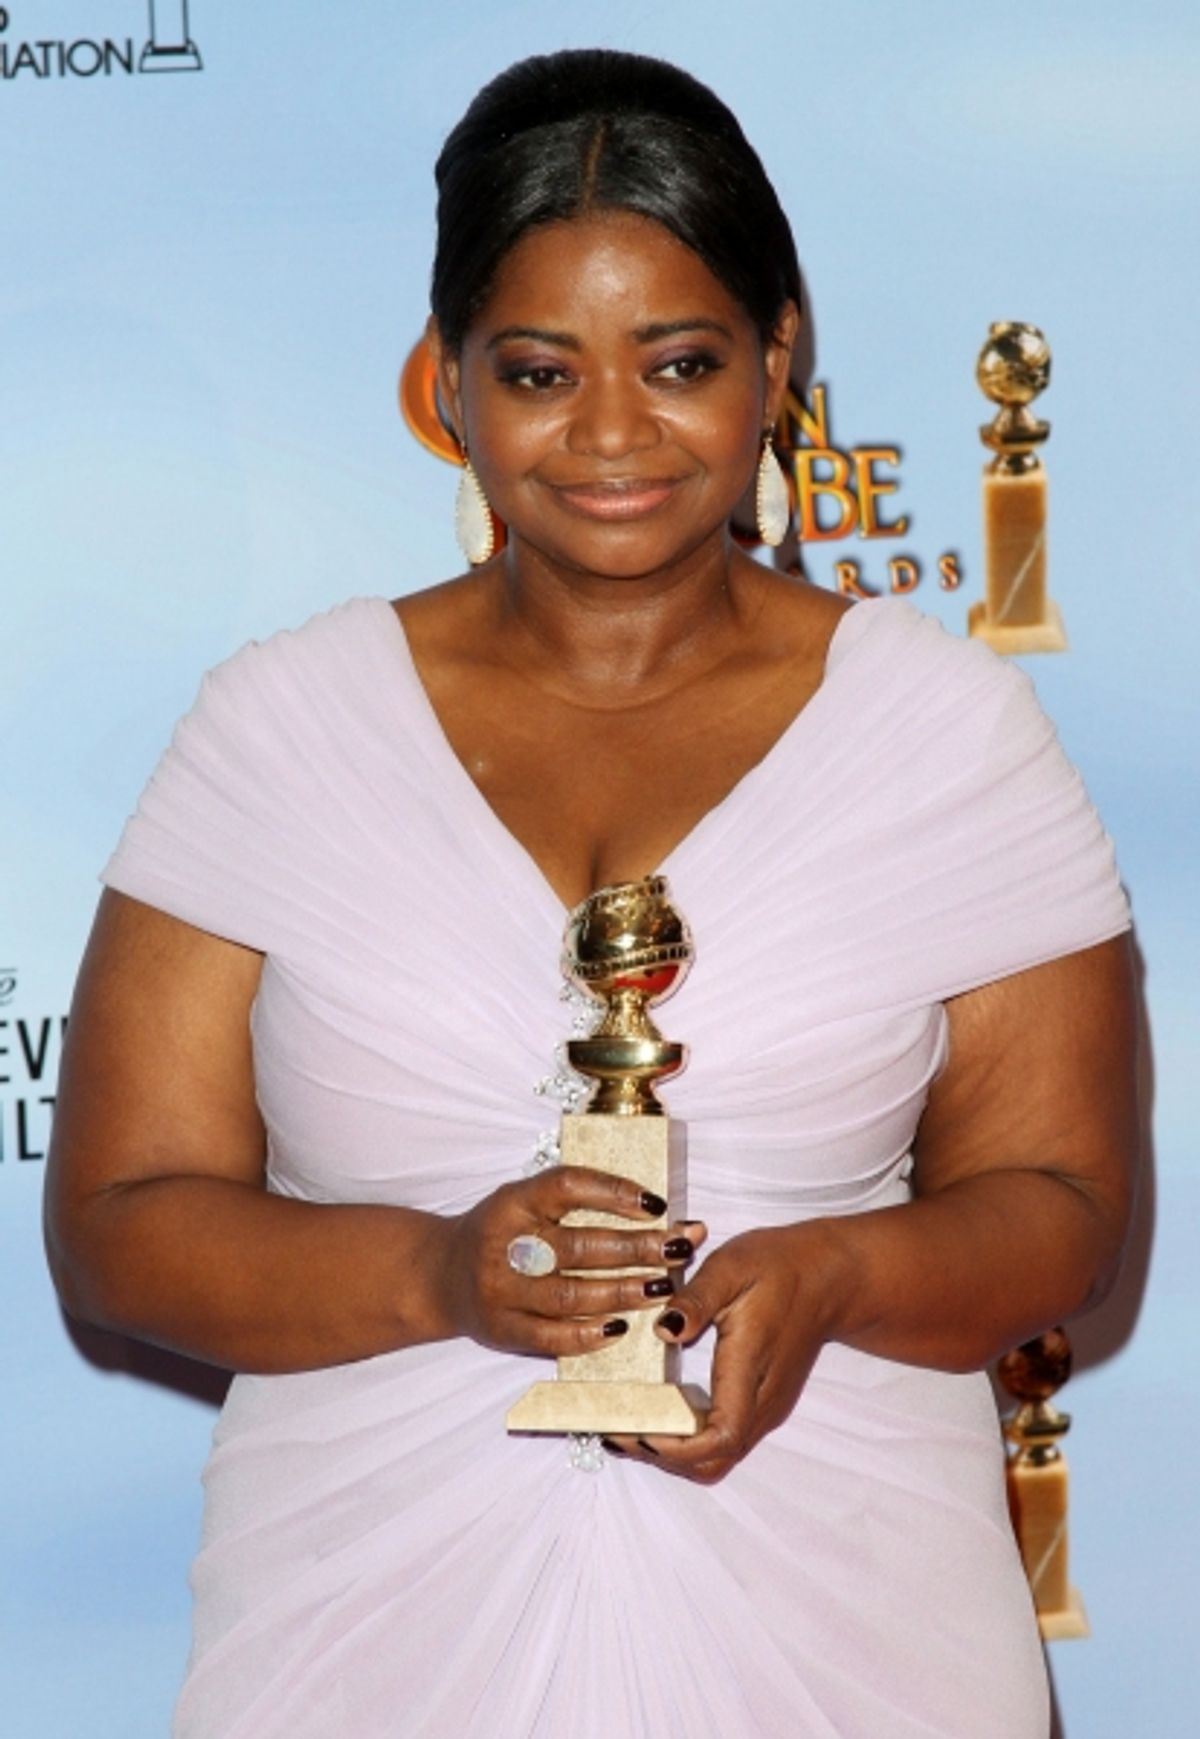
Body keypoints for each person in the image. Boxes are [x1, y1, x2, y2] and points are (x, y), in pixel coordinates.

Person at [44, 48, 1137, 1739]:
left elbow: (1063, 1201)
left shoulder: (948, 732)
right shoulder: (282, 729)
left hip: (854, 1623)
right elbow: (120, 1220)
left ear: (778, 360)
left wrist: (840, 1274)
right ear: (448, 383)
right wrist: (435, 1276)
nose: (614, 435)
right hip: (364, 1628)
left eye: (681, 362)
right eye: (541, 372)